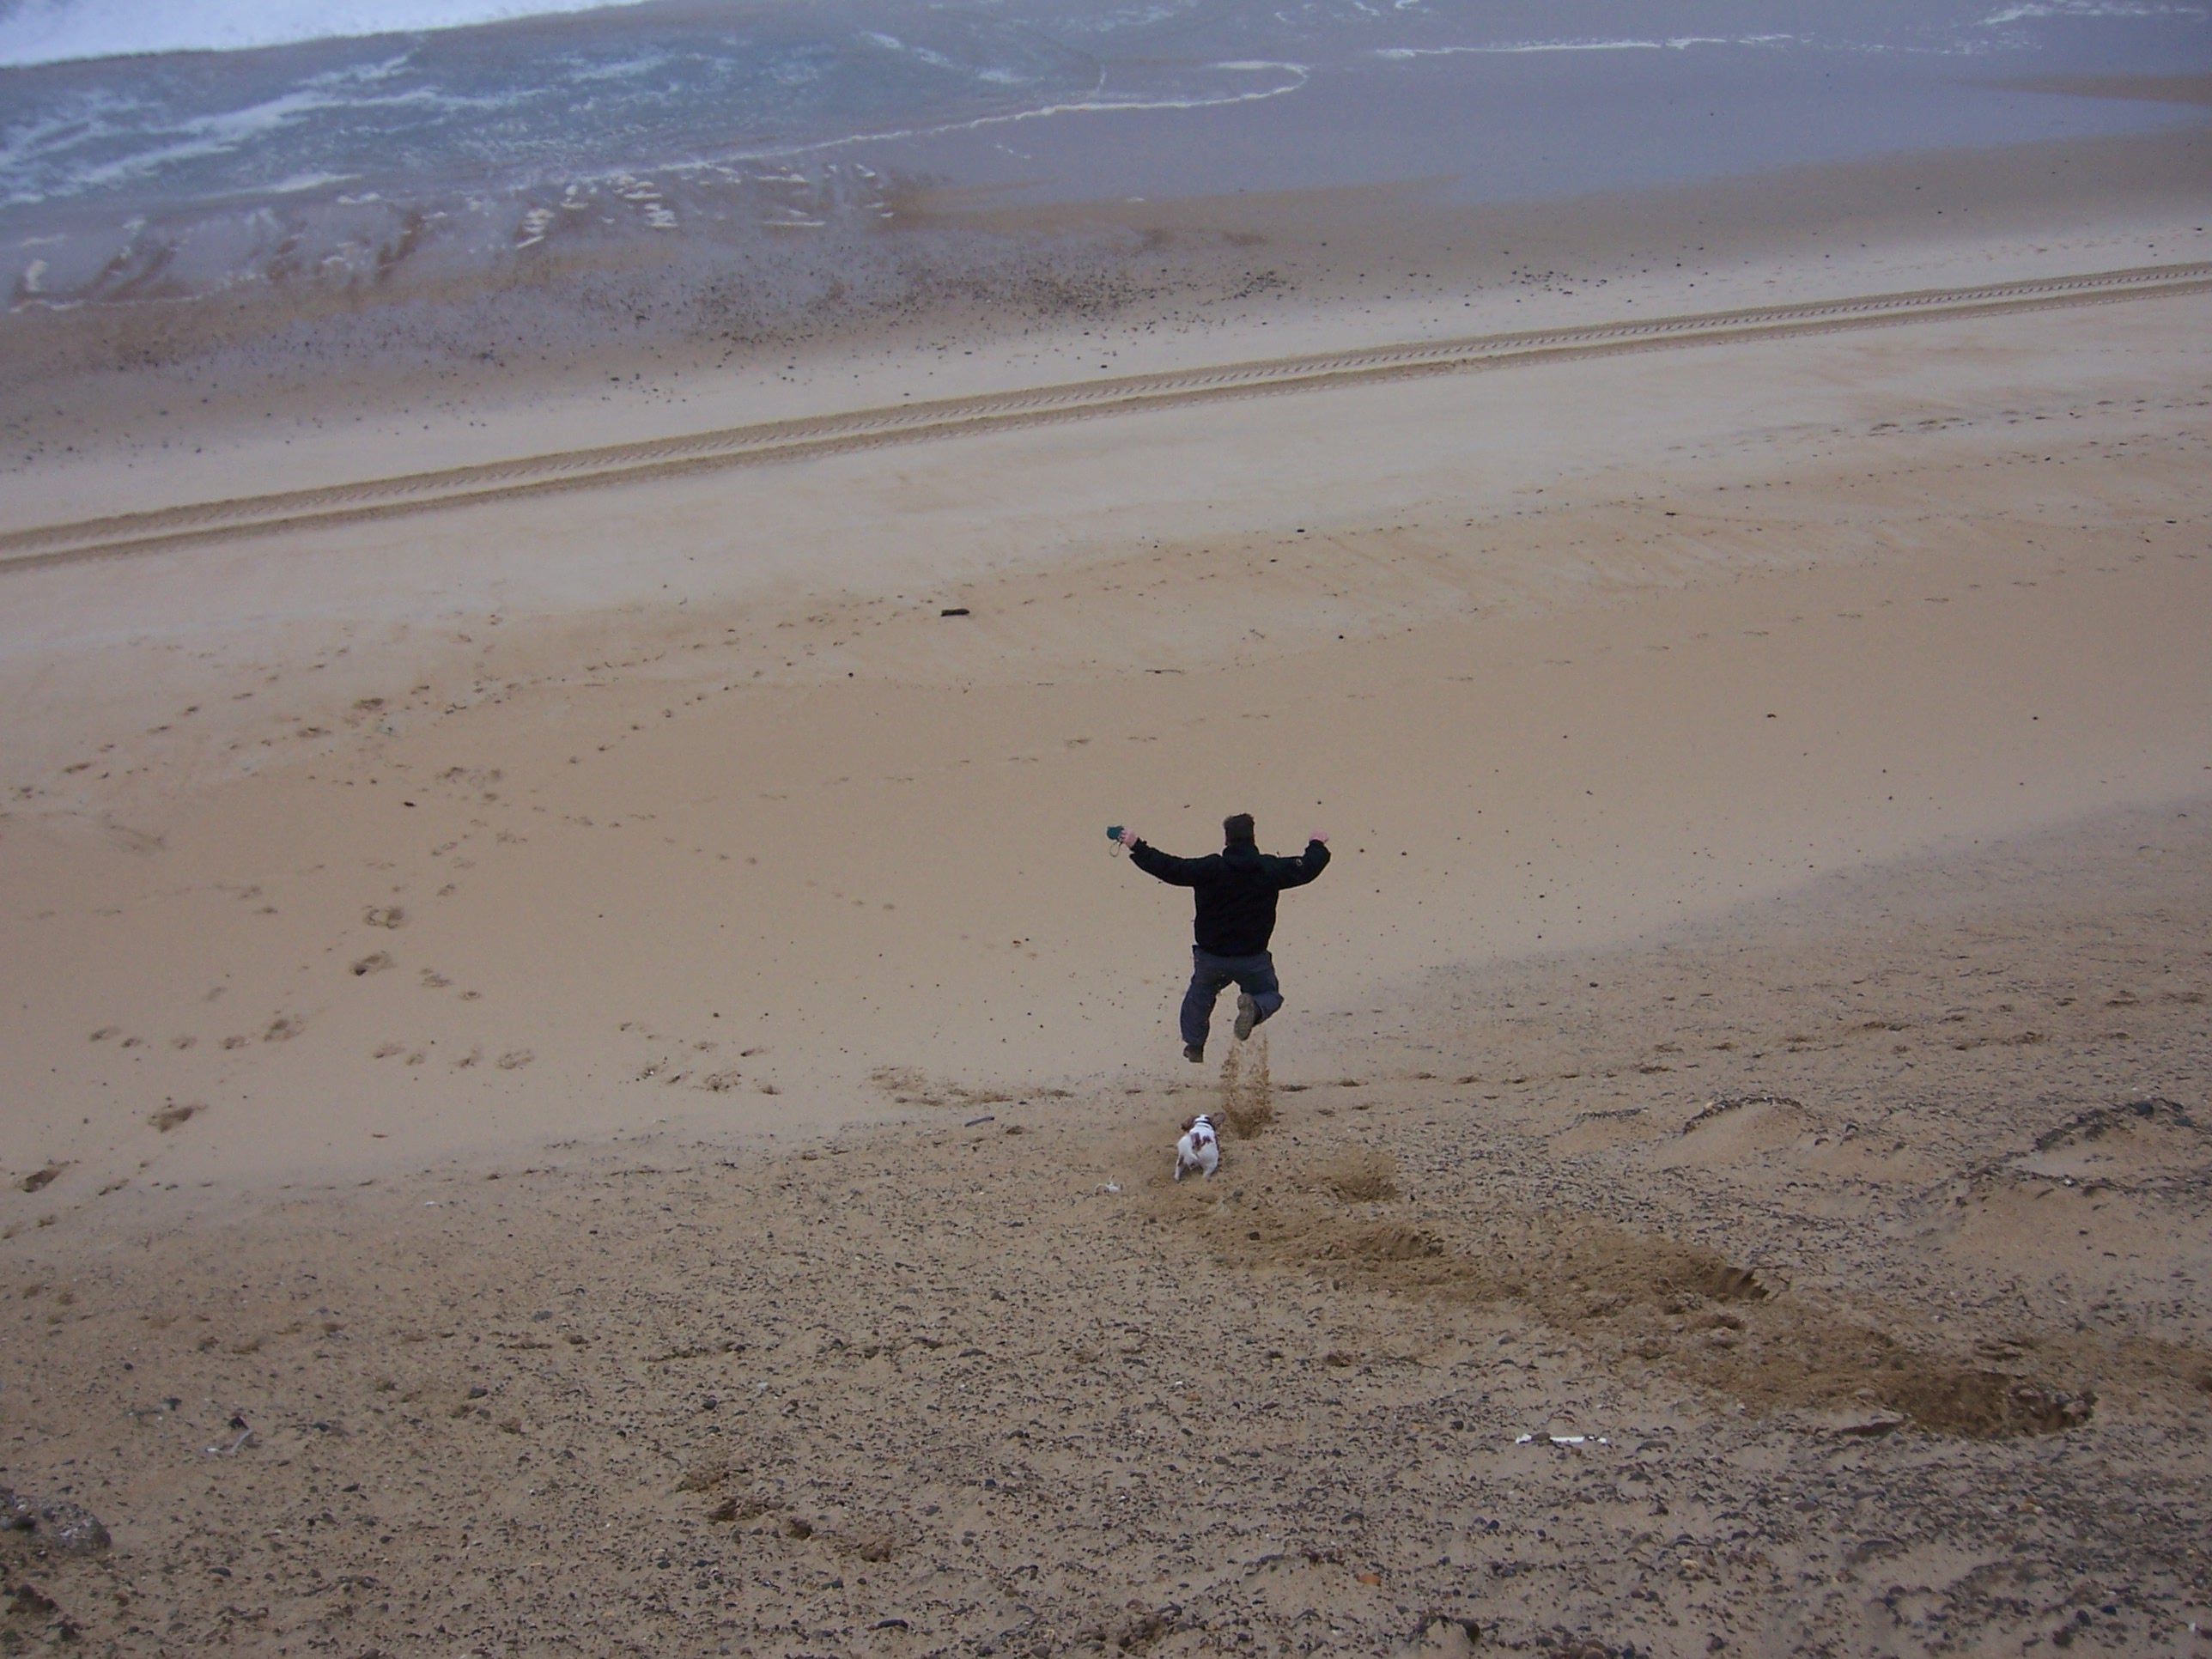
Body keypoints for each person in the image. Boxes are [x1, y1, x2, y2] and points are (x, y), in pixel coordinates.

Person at [1115, 813, 1330, 1062]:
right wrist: (1317, 844)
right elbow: (1307, 868)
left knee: (1200, 996)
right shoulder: (1269, 869)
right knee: (1269, 994)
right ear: (1252, 838)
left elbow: (1170, 868)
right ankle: (1255, 1009)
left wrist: (1136, 845)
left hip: (1212, 958)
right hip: (1252, 958)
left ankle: (1194, 1046)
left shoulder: (1211, 869)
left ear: (1227, 839)